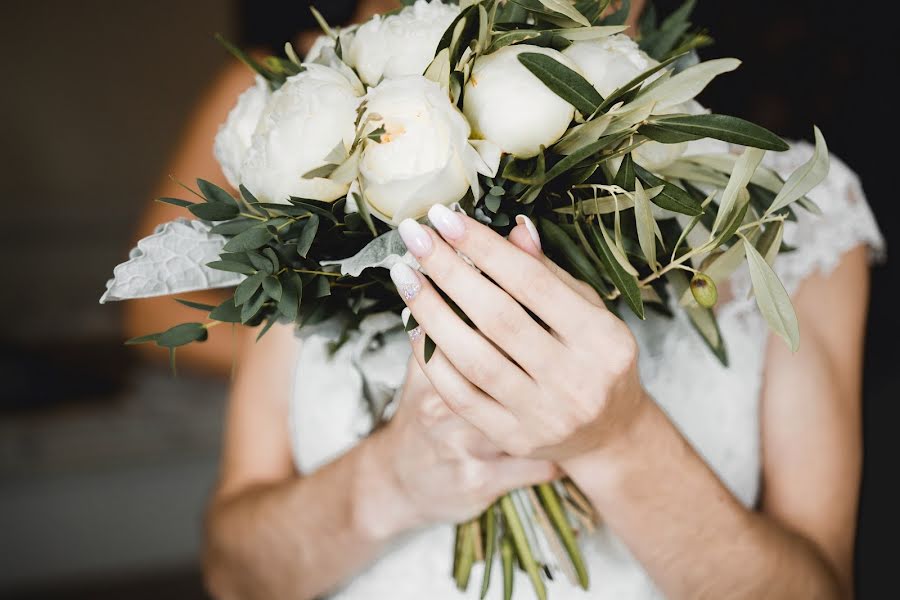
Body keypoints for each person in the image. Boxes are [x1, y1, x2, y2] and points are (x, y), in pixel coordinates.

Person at [129, 1, 884, 598]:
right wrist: (393, 479)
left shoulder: (789, 206)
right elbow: (236, 575)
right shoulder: (346, 163)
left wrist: (617, 443)